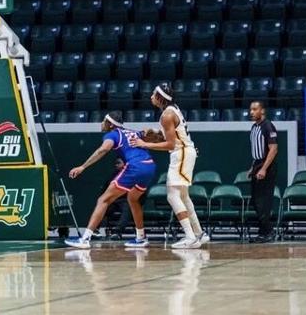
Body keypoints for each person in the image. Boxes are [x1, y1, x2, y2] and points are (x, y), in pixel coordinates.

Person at [64, 112, 156, 249]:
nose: (102, 123)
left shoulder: (112, 134)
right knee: (133, 198)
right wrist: (154, 133)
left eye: (104, 120)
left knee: (103, 200)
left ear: (111, 124)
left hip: (135, 166)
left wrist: (82, 166)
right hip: (150, 166)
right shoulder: (132, 132)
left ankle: (85, 238)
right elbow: (151, 132)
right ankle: (141, 237)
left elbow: (104, 149)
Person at [129, 83, 205, 249]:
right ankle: (199, 233)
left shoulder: (166, 116)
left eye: (153, 94)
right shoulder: (172, 110)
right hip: (185, 151)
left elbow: (170, 144)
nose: (150, 97)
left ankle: (190, 236)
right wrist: (154, 134)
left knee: (172, 195)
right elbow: (172, 137)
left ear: (160, 98)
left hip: (181, 153)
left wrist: (144, 144)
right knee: (183, 196)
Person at [248, 101, 279, 243]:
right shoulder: (254, 127)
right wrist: (252, 167)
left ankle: (267, 233)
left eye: (255, 109)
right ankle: (265, 231)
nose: (252, 112)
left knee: (263, 202)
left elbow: (273, 149)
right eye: (251, 110)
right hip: (257, 165)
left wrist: (264, 169)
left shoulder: (268, 126)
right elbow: (256, 151)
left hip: (266, 166)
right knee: (255, 201)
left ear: (262, 110)